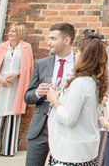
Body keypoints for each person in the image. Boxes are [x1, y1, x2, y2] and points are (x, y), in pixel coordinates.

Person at [46, 36, 107, 166]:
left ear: (86, 58)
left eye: (78, 52)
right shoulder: (94, 81)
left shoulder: (81, 83)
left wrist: (54, 101)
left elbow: (69, 119)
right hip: (84, 150)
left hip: (71, 153)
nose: (75, 55)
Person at [25, 22, 78, 166]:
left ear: (66, 40)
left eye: (53, 39)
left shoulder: (80, 63)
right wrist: (38, 92)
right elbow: (27, 97)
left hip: (67, 127)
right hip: (41, 127)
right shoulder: (42, 64)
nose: (49, 43)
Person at [0, 23, 34, 156]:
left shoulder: (26, 48)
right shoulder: (1, 47)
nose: (10, 34)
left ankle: (8, 149)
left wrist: (17, 73)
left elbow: (29, 67)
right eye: (10, 31)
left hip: (16, 85)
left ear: (20, 33)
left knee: (13, 113)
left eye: (14, 32)